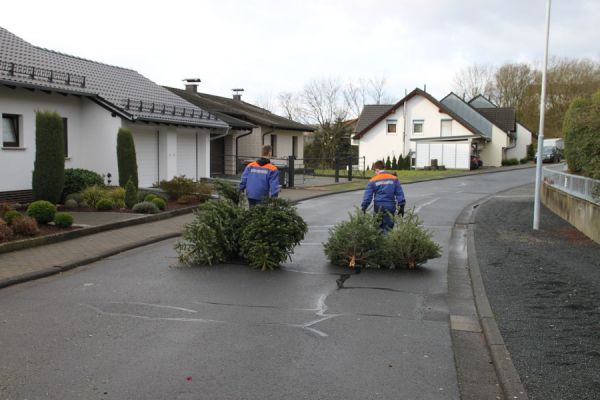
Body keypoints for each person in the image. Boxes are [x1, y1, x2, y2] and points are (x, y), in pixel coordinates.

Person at [361, 160, 406, 233]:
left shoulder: (373, 180)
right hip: (390, 206)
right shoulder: (394, 179)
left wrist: (364, 207)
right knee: (388, 229)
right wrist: (402, 206)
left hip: (378, 207)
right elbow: (399, 193)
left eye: (375, 171)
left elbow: (368, 196)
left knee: (377, 228)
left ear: (377, 170)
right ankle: (387, 242)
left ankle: (379, 243)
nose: (375, 173)